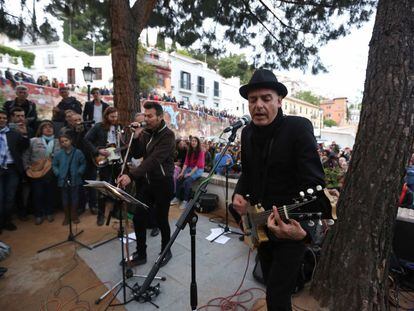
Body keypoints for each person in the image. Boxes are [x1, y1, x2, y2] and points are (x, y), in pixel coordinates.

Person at [232, 69, 328, 311]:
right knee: (269, 283)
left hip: (290, 227)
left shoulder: (298, 128)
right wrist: (238, 194)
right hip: (260, 224)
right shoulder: (247, 133)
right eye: (253, 100)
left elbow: (315, 187)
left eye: (266, 98)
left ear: (279, 101)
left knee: (276, 297)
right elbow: (247, 172)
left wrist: (303, 233)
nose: (258, 105)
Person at [117, 101, 175, 267]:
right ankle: (141, 253)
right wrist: (136, 136)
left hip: (163, 183)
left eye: (150, 116)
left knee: (161, 219)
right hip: (149, 182)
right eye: (145, 115)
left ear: (160, 116)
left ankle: (166, 250)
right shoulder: (147, 133)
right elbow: (137, 153)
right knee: (138, 217)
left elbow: (153, 160)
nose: (147, 119)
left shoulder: (168, 136)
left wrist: (131, 176)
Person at [84, 107, 122, 226]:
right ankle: (101, 215)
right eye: (112, 117)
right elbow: (86, 140)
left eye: (116, 116)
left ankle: (115, 211)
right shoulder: (98, 126)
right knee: (104, 188)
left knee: (118, 186)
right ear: (106, 116)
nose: (114, 119)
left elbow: (122, 144)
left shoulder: (118, 127)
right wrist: (98, 151)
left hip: (117, 160)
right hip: (104, 161)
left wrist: (124, 141)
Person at [23, 120, 60, 225]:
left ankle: (49, 212)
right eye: (45, 127)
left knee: (50, 193)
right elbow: (26, 155)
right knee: (37, 194)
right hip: (37, 172)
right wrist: (26, 168)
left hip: (52, 172)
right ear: (41, 130)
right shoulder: (33, 141)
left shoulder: (59, 141)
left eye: (50, 127)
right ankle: (39, 215)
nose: (48, 129)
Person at [0, 110, 29, 232]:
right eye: (0, 118)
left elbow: (24, 146)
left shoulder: (13, 133)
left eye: (4, 118)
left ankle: (7, 220)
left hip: (12, 169)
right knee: (0, 197)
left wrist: (24, 134)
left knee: (10, 196)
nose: (2, 120)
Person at [52, 133, 86, 225]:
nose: (64, 143)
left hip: (75, 179)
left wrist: (79, 172)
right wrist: (57, 173)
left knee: (75, 197)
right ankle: (67, 216)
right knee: (65, 198)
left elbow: (83, 163)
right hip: (63, 179)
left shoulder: (78, 152)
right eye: (62, 142)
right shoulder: (58, 154)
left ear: (70, 141)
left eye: (66, 141)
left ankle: (74, 214)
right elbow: (54, 165)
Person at [171, 136, 205, 209]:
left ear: (198, 143)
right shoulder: (189, 151)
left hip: (197, 170)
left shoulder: (201, 152)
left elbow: (198, 165)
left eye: (195, 141)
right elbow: (186, 163)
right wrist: (182, 173)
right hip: (189, 168)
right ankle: (177, 198)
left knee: (187, 181)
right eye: (192, 141)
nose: (193, 142)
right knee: (178, 179)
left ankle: (185, 201)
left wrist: (190, 174)